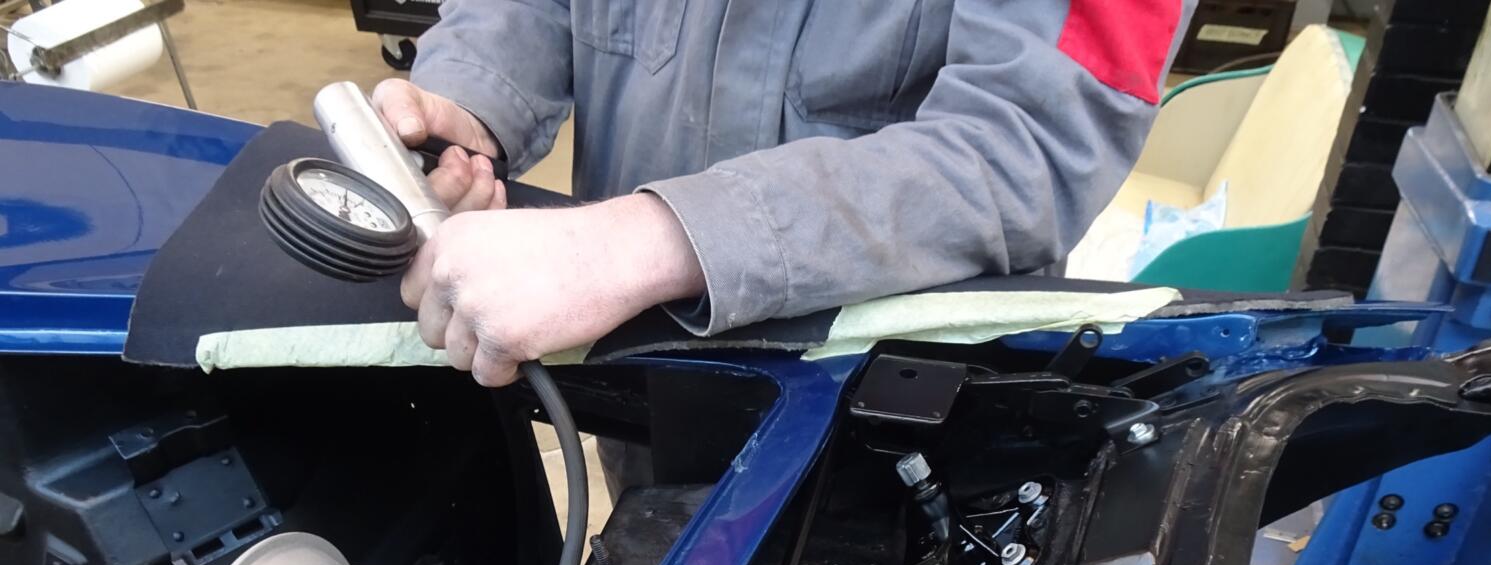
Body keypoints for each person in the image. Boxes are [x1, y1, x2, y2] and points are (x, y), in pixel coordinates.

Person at [378, 0, 1195, 387]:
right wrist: (472, 103)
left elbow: (1031, 148)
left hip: (892, 422)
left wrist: (649, 241)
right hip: (643, 370)